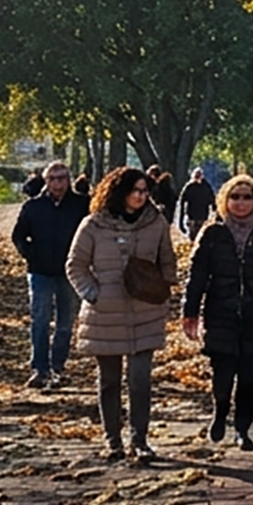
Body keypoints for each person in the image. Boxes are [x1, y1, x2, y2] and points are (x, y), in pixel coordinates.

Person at [180, 174, 253, 449]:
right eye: (235, 197)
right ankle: (220, 411)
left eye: (247, 197)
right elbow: (197, 276)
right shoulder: (212, 232)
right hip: (221, 311)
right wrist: (190, 311)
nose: (241, 202)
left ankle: (243, 428)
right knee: (222, 374)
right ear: (225, 199)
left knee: (249, 376)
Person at [68, 166, 178, 462]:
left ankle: (139, 439)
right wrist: (93, 293)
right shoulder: (93, 225)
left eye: (144, 191)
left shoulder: (156, 223)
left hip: (146, 311)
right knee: (110, 380)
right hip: (106, 313)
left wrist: (164, 290)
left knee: (140, 380)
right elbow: (76, 265)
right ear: (119, 192)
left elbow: (167, 261)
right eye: (134, 191)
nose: (140, 196)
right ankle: (112, 439)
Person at [11, 159, 91, 389]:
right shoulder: (33, 207)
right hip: (40, 271)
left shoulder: (81, 205)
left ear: (69, 180)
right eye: (53, 179)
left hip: (71, 272)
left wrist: (85, 259)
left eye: (62, 178)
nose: (58, 183)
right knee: (40, 320)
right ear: (45, 181)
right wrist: (30, 255)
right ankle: (40, 368)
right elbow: (18, 235)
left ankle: (58, 367)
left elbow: (92, 233)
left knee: (66, 322)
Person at [176, 168, 215, 239]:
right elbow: (182, 202)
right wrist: (180, 222)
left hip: (203, 217)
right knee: (193, 237)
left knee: (202, 238)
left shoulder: (206, 187)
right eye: (196, 175)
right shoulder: (189, 187)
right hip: (192, 217)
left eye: (199, 175)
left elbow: (213, 201)